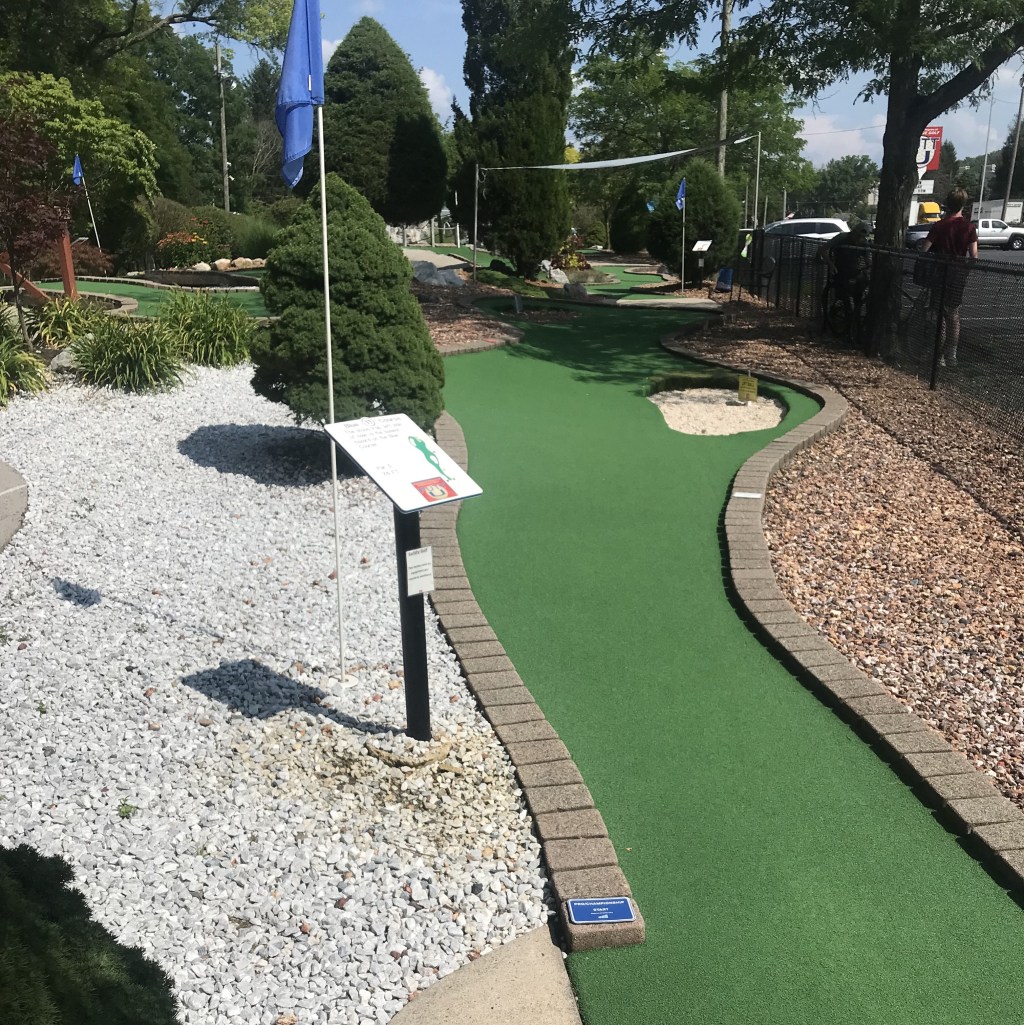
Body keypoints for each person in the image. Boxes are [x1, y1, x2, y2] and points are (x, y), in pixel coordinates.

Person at [919, 187, 978, 367]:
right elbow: (974, 256)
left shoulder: (939, 226)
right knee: (953, 314)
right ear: (963, 205)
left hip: (939, 274)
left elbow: (924, 249)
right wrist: (964, 270)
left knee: (939, 316)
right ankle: (951, 354)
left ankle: (939, 356)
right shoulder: (969, 227)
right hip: (957, 276)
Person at [821, 221, 871, 331]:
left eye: (862, 237)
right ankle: (845, 322)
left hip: (855, 272)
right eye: (858, 235)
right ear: (853, 232)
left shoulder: (864, 243)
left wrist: (868, 269)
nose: (859, 239)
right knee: (844, 295)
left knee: (859, 296)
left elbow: (868, 260)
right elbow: (823, 249)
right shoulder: (842, 237)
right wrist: (831, 265)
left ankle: (856, 324)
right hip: (840, 271)